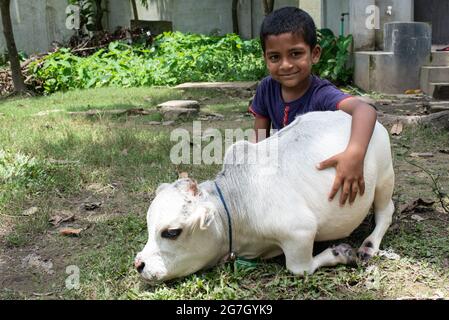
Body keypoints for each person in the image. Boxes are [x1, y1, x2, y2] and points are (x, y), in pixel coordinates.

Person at [248, 6, 377, 207]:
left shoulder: (321, 94)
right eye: (275, 57)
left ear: (314, 54)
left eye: (295, 54)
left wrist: (354, 154)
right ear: (265, 58)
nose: (285, 65)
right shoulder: (266, 88)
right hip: (285, 169)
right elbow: (259, 142)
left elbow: (365, 110)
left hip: (316, 171)